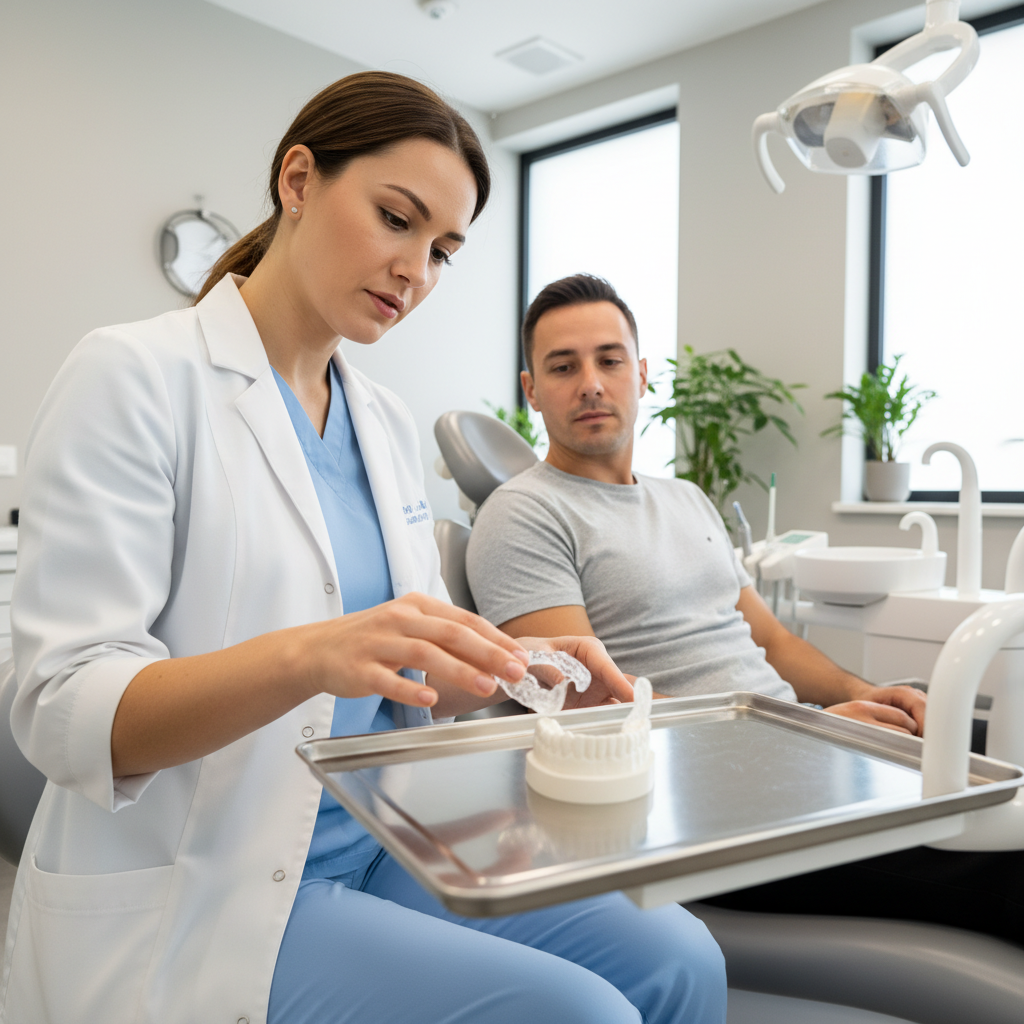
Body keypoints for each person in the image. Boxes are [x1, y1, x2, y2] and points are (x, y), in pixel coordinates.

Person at [2, 79, 726, 1024]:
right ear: (298, 179)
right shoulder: (135, 375)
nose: (415, 271)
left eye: (443, 251)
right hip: (221, 880)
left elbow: (412, 667)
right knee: (579, 1015)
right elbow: (61, 708)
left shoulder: (380, 420)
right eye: (396, 219)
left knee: (681, 958)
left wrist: (519, 672)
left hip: (387, 835)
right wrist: (314, 653)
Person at [466, 272, 1024, 948]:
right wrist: (808, 735)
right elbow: (588, 708)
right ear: (531, 389)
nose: (591, 382)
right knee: (1000, 867)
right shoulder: (522, 514)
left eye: (609, 360)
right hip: (717, 813)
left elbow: (775, 643)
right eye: (563, 366)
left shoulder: (686, 499)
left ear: (641, 374)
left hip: (800, 758)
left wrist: (865, 696)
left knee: (972, 734)